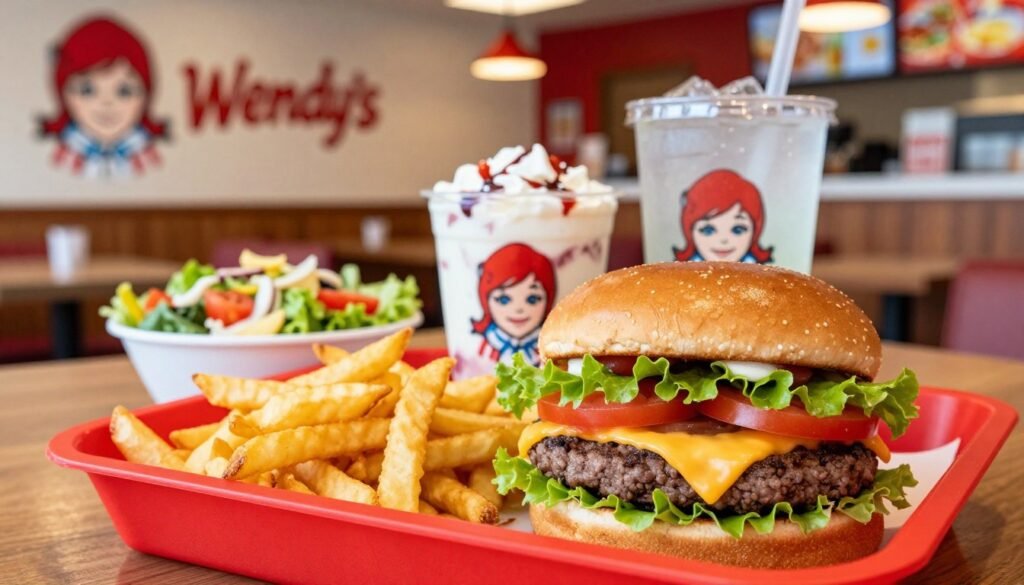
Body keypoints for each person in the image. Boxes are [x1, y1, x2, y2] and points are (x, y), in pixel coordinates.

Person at [39, 17, 166, 177]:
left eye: (124, 91)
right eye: (87, 91)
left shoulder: (147, 157)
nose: (107, 103)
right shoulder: (63, 157)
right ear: (63, 95)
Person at [472, 243, 556, 364]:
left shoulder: (551, 346)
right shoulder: (485, 347)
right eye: (503, 299)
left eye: (532, 299)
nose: (518, 309)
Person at [673, 169, 773, 264]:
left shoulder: (762, 273)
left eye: (738, 229)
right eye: (708, 230)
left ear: (755, 231)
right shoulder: (682, 272)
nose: (723, 239)